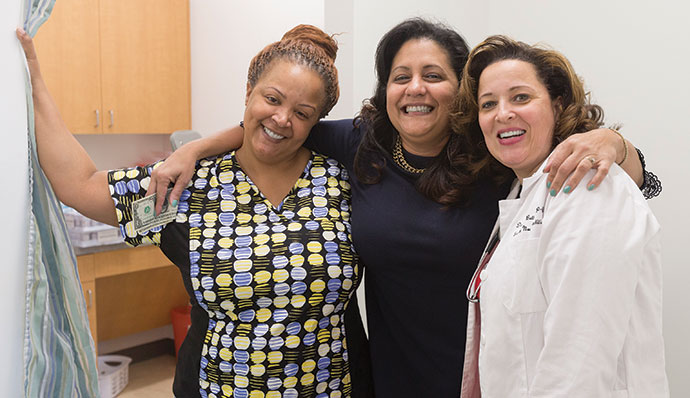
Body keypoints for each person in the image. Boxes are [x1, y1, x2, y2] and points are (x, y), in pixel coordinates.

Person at [145, 19, 656, 397]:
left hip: (488, 372)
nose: (415, 88)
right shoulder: (362, 142)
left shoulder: (493, 148)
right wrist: (192, 148)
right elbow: (279, 126)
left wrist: (614, 143)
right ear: (384, 88)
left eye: (433, 75)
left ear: (460, 92)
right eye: (400, 75)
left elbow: (634, 182)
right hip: (391, 373)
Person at [17, 24, 373, 398]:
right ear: (249, 92)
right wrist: (35, 81)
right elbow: (81, 185)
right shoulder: (186, 190)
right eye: (272, 98)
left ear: (317, 122)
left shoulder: (343, 180)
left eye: (302, 112)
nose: (283, 119)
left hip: (334, 388)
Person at [455, 35, 668, 397]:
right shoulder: (520, 194)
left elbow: (579, 359)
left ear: (558, 104)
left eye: (521, 97)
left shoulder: (590, 186)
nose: (503, 113)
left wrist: (617, 143)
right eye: (488, 103)